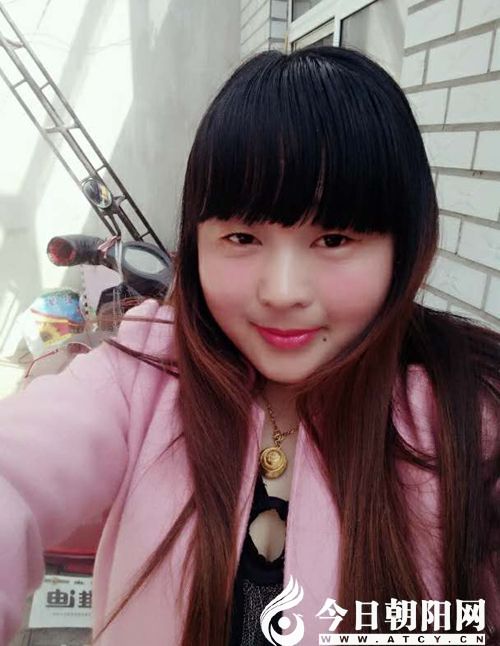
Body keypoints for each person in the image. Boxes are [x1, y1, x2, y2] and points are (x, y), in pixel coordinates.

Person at [0, 45, 499, 646]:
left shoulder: (468, 414)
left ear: (404, 245)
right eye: (241, 237)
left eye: (335, 239)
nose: (282, 292)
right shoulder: (144, 373)